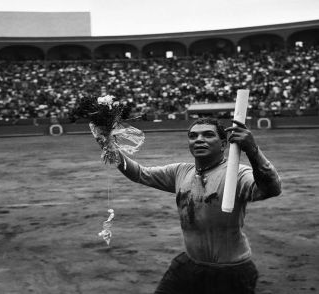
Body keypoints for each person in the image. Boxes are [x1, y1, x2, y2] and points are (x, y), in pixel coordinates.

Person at [95, 117, 281, 294]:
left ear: (224, 144)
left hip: (231, 271)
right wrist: (108, 145)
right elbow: (138, 173)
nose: (199, 139)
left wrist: (253, 151)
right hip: (190, 264)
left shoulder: (236, 174)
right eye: (193, 136)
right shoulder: (180, 172)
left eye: (208, 135)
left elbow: (271, 189)